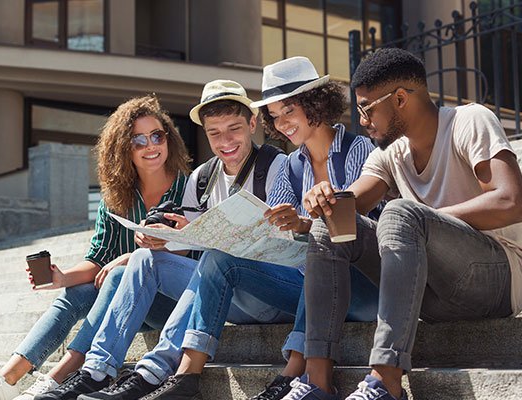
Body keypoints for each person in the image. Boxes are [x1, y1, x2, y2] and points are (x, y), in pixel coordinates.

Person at [106, 56, 381, 400]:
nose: (282, 124)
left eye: (289, 112)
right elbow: (275, 232)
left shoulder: (359, 150)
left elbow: (366, 229)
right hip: (299, 285)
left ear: (317, 104)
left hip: (363, 287)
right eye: (276, 116)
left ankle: (293, 374)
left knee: (318, 253)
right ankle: (186, 377)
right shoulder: (291, 167)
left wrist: (306, 224)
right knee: (220, 258)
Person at [285, 48, 522, 400]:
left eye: (366, 107)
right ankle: (317, 380)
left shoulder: (469, 120)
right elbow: (354, 202)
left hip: (495, 280)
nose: (362, 120)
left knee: (399, 212)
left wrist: (425, 222)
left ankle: (385, 381)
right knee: (330, 224)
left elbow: (510, 200)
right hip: (430, 290)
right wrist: (325, 198)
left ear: (399, 99)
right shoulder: (391, 152)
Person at [34, 79, 287, 400]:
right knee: (142, 259)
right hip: (222, 294)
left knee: (214, 262)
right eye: (214, 133)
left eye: (234, 129)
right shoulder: (203, 178)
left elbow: (283, 242)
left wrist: (208, 239)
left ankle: (152, 372)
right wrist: (166, 239)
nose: (225, 141)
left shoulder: (277, 165)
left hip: (266, 293)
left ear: (253, 123)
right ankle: (96, 370)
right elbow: (191, 245)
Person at [0, 95, 193, 400]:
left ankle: (59, 377)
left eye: (157, 136)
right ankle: (6, 379)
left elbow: (196, 253)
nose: (151, 146)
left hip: (173, 302)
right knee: (74, 293)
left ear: (169, 139)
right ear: (123, 149)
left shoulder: (190, 187)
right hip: (125, 305)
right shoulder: (116, 199)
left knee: (116, 277)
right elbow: (99, 259)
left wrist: (129, 258)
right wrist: (61, 278)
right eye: (138, 140)